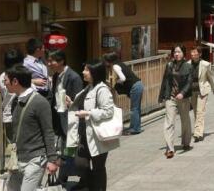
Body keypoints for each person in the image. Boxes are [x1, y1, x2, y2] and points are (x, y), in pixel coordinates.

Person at [4, 65, 58, 191]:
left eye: (6, 80)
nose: (4, 84)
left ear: (15, 81)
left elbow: (48, 132)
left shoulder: (40, 102)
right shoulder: (15, 101)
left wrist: (52, 159)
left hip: (35, 159)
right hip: (17, 159)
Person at [70, 60, 119, 191]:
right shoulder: (89, 87)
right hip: (83, 134)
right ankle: (89, 185)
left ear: (95, 73)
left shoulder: (102, 89)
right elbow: (81, 105)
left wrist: (88, 113)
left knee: (98, 168)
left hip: (97, 135)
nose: (83, 72)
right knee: (81, 164)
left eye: (86, 70)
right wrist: (71, 103)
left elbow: (108, 111)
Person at [46, 50, 83, 183]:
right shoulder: (56, 76)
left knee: (69, 149)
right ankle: (63, 176)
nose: (49, 63)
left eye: (51, 61)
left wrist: (71, 104)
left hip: (70, 119)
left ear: (61, 61)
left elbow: (79, 101)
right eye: (48, 61)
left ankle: (68, 177)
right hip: (59, 117)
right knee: (64, 149)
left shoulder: (74, 77)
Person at [158, 45, 193, 158]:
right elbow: (165, 81)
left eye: (179, 52)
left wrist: (182, 93)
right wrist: (161, 96)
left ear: (183, 53)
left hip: (183, 97)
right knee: (169, 122)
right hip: (171, 97)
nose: (176, 54)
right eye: (175, 52)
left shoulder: (188, 66)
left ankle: (186, 142)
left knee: (185, 120)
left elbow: (189, 82)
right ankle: (170, 148)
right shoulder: (169, 65)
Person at [103, 52, 144, 135]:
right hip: (139, 84)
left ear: (109, 61)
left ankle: (135, 129)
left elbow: (123, 78)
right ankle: (136, 127)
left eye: (105, 61)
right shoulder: (120, 64)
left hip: (135, 87)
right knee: (136, 108)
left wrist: (117, 82)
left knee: (134, 109)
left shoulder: (115, 66)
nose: (105, 63)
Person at [189, 47, 214, 143]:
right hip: (192, 91)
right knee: (196, 111)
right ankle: (199, 129)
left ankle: (197, 133)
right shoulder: (188, 65)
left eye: (195, 53)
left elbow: (210, 77)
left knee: (200, 111)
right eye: (192, 54)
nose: (193, 55)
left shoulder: (205, 64)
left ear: (199, 54)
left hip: (202, 90)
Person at [0, 49, 24, 141]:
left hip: (7, 115)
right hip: (19, 114)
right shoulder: (18, 77)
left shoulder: (2, 76)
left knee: (12, 146)